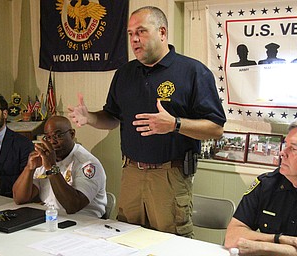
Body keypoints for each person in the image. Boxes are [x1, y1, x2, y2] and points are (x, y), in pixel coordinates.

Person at [68, 6, 226, 237]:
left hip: (169, 176)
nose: (134, 39)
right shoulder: (124, 73)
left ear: (162, 32)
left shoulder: (193, 72)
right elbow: (111, 118)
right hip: (131, 172)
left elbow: (216, 128)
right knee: (127, 239)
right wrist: (90, 117)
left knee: (170, 245)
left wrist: (175, 124)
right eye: (130, 33)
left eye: (141, 31)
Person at [224, 120, 297, 255]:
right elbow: (232, 237)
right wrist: (280, 239)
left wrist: (262, 247)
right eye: (285, 145)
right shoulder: (267, 184)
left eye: (292, 148)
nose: (282, 153)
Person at [13, 116, 107, 217]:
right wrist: (29, 168)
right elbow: (20, 199)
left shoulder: (87, 164)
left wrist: (51, 168)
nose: (52, 141)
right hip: (51, 218)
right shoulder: (46, 158)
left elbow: (73, 206)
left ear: (72, 134)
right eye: (48, 137)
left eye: (58, 135)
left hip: (83, 224)